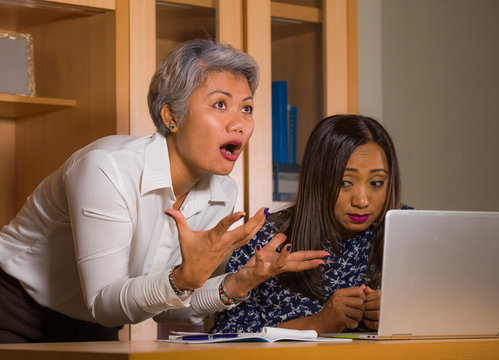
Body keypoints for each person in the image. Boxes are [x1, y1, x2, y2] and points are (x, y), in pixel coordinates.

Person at [0, 39, 327, 343]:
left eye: (246, 108)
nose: (240, 124)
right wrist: (182, 279)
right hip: (14, 310)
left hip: (96, 328)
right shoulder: (106, 169)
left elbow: (169, 304)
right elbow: (104, 300)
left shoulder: (222, 192)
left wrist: (243, 279)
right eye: (219, 105)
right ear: (172, 117)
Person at [211, 114, 412, 334]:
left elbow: (449, 314)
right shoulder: (267, 240)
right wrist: (318, 324)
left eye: (376, 183)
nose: (362, 200)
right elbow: (226, 335)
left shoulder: (411, 231)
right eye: (345, 183)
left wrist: (404, 319)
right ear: (317, 179)